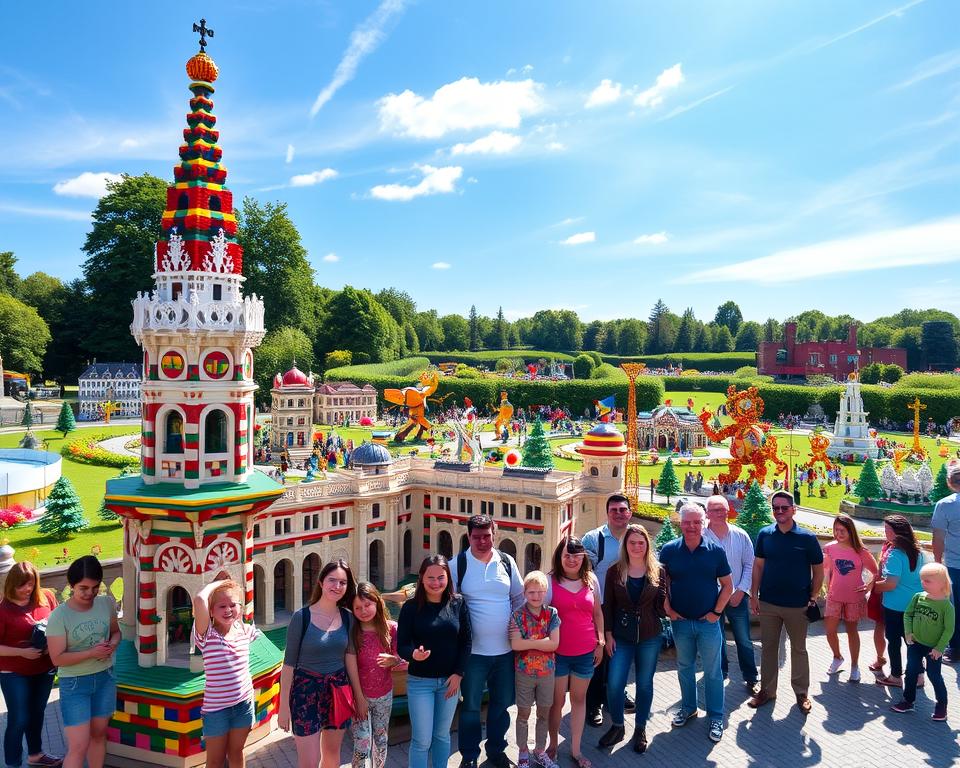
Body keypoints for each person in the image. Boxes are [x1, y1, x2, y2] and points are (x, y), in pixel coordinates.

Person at [448, 515, 524, 768]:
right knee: (469, 707)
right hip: (473, 654)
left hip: (504, 651)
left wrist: (516, 631)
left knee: (501, 705)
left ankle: (496, 751)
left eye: (487, 536)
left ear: (495, 534)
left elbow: (519, 598)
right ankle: (469, 756)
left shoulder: (506, 561)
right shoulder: (457, 565)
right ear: (468, 537)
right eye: (476, 537)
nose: (482, 541)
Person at [278, 560, 363, 768]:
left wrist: (359, 696)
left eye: (342, 582)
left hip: (338, 689)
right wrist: (283, 707)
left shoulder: (348, 618)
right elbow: (288, 665)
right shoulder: (302, 617)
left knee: (333, 755)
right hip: (305, 692)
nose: (337, 586)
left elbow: (350, 658)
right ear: (321, 582)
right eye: (332, 580)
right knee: (309, 761)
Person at [661, 504, 733, 744]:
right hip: (680, 623)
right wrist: (668, 608)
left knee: (713, 672)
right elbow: (663, 581)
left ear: (703, 523)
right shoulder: (669, 550)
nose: (691, 527)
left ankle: (715, 716)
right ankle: (689, 707)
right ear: (680, 523)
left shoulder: (715, 551)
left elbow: (727, 586)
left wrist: (716, 612)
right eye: (686, 522)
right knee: (684, 667)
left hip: (708, 623)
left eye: (696, 522)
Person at [748, 491, 823, 714]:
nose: (779, 511)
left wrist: (812, 597)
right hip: (769, 603)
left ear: (793, 509)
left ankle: (801, 693)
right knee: (769, 648)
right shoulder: (765, 535)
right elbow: (758, 566)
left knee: (799, 649)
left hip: (798, 604)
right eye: (776, 508)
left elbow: (818, 572)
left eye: (784, 507)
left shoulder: (807, 538)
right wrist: (754, 594)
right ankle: (767, 691)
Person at [46, 556, 120, 768]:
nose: (90, 593)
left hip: (105, 678)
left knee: (98, 736)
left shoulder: (106, 603)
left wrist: (112, 645)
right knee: (78, 746)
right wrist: (91, 653)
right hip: (75, 684)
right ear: (71, 586)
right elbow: (57, 658)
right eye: (83, 588)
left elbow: (116, 633)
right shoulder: (59, 616)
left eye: (95, 587)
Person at [397, 556, 471, 768]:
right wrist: (413, 654)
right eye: (430, 578)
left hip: (450, 682)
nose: (436, 582)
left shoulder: (458, 603)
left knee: (442, 736)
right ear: (421, 578)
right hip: (420, 682)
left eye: (441, 577)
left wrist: (458, 674)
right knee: (421, 740)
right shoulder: (411, 608)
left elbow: (467, 641)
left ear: (448, 577)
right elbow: (402, 645)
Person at [600, 524, 665, 754]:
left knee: (645, 684)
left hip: (650, 635)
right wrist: (607, 635)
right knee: (615, 684)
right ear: (625, 545)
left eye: (641, 542)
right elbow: (608, 606)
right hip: (621, 635)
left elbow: (662, 607)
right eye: (632, 542)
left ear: (647, 545)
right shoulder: (615, 571)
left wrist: (669, 605)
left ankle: (640, 728)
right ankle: (618, 725)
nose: (637, 547)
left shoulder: (658, 571)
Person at [192, 571, 260, 768]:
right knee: (215, 761)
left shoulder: (244, 630)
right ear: (211, 611)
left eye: (233, 605)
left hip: (243, 705)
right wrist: (220, 583)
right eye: (222, 606)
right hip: (217, 710)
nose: (228, 610)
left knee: (237, 754)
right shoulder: (207, 635)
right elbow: (198, 599)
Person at [546, 536, 603, 768]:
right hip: (557, 654)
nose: (571, 560)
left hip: (584, 653)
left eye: (576, 555)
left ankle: (576, 750)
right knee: (556, 702)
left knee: (579, 701)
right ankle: (551, 746)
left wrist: (599, 641)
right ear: (559, 557)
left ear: (583, 558)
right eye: (566, 555)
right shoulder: (549, 582)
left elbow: (597, 613)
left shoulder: (591, 580)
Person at [0, 561, 61, 768]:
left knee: (37, 714)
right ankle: (12, 763)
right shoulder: (3, 609)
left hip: (44, 669)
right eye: (21, 585)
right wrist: (22, 653)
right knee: (19, 719)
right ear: (11, 585)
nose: (26, 589)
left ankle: (36, 755)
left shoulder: (47, 598)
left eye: (30, 584)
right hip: (14, 672)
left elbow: (59, 624)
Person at [581, 494, 635, 726]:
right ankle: (593, 705)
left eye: (623, 510)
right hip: (599, 607)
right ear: (607, 513)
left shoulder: (636, 537)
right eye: (614, 510)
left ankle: (615, 695)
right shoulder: (594, 539)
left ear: (630, 513)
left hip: (625, 608)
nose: (618, 514)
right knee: (598, 657)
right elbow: (581, 571)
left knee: (619, 655)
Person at [703, 494, 759, 695]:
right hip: (711, 598)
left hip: (736, 597)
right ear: (707, 513)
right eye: (714, 510)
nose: (719, 513)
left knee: (743, 639)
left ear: (729, 511)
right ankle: (721, 673)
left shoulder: (740, 535)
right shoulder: (701, 537)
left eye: (722, 509)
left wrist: (742, 590)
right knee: (716, 639)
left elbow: (749, 564)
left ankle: (751, 677)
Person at [350, 582, 405, 768]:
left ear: (377, 603)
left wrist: (395, 660)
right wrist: (358, 697)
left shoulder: (391, 629)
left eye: (367, 605)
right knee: (362, 740)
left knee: (380, 738)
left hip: (384, 695)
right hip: (359, 697)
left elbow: (403, 657)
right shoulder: (352, 633)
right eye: (358, 607)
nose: (363, 611)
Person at [509, 571, 560, 768]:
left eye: (540, 592)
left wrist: (528, 642)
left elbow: (555, 644)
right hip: (524, 673)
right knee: (523, 714)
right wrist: (542, 642)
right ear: (524, 592)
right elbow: (515, 645)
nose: (536, 596)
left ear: (546, 592)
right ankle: (523, 751)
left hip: (547, 672)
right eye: (531, 592)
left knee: (543, 713)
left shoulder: (552, 614)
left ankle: (539, 750)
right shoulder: (517, 615)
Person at [890, 563, 954, 719]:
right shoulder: (918, 597)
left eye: (928, 581)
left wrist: (939, 648)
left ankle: (941, 705)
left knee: (934, 676)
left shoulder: (946, 606)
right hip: (915, 645)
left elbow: (948, 630)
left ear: (941, 583)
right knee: (911, 672)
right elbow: (908, 614)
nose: (923, 583)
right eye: (922, 580)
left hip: (934, 649)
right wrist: (908, 632)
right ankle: (908, 701)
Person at [823, 515, 878, 683]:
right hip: (834, 596)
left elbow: (876, 571)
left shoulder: (861, 551)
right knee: (830, 631)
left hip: (854, 598)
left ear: (850, 531)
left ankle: (855, 666)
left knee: (851, 631)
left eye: (842, 530)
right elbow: (826, 570)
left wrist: (868, 586)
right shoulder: (829, 548)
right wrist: (826, 587)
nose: (838, 533)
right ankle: (837, 657)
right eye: (836, 530)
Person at [873, 516, 925, 689]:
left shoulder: (895, 554)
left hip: (895, 606)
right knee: (912, 642)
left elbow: (890, 584)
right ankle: (919, 676)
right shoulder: (919, 552)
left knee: (894, 642)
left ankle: (896, 676)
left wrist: (873, 587)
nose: (885, 532)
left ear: (897, 532)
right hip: (914, 605)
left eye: (887, 529)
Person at [931, 460, 960, 663]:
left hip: (954, 564)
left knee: (954, 607)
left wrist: (937, 563)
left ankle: (955, 648)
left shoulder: (945, 505)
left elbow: (938, 539)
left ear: (949, 482)